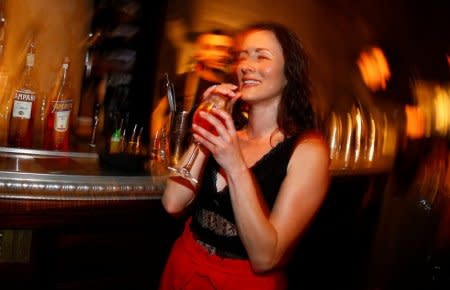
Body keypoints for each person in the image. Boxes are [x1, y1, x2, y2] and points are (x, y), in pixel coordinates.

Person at [159, 22, 330, 290]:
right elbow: (172, 202)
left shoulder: (308, 151)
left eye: (261, 56)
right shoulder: (230, 133)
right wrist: (210, 126)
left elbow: (265, 258)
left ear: (289, 73)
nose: (245, 66)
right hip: (185, 266)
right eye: (242, 56)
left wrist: (235, 164)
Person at [150, 30, 235, 142]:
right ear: (200, 53)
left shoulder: (234, 87)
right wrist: (157, 147)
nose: (221, 55)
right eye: (215, 48)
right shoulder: (180, 82)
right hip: (179, 154)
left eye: (227, 50)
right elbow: (158, 114)